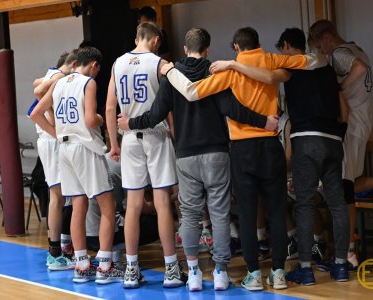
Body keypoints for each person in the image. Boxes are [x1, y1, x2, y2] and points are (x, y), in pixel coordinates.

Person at [161, 27, 327, 291]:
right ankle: (278, 273)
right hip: (271, 145)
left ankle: (253, 275)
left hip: (242, 150)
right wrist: (278, 72)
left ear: (236, 47)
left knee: (248, 215)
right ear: (258, 43)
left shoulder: (229, 71)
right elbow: (316, 60)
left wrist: (170, 71)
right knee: (276, 211)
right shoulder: (272, 60)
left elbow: (191, 92)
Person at [117, 27, 278, 291]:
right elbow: (232, 109)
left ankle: (192, 272)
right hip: (215, 152)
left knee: (190, 216)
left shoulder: (172, 75)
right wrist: (264, 121)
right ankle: (220, 272)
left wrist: (130, 123)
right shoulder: (214, 72)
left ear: (184, 49)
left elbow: (156, 114)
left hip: (186, 155)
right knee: (219, 214)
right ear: (208, 49)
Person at [31, 47, 122, 284]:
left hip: (65, 149)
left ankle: (81, 265)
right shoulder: (87, 83)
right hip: (84, 147)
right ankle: (104, 266)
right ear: (93, 65)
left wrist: (57, 134)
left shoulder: (59, 83)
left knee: (78, 204)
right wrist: (101, 119)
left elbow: (35, 114)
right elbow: (91, 119)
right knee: (107, 207)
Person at [105, 21, 185, 289]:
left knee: (133, 204)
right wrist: (174, 132)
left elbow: (109, 107)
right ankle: (171, 268)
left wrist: (113, 143)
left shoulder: (117, 63)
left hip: (128, 138)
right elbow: (168, 105)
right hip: (155, 135)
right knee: (163, 202)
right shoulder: (159, 63)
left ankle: (130, 269)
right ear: (155, 40)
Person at [308, 19, 373, 272]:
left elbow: (360, 68)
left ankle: (347, 253)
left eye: (319, 47)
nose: (321, 53)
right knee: (345, 187)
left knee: (344, 189)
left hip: (352, 125)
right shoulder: (357, 47)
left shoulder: (340, 53)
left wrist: (337, 89)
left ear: (325, 39)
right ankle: (347, 250)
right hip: (362, 123)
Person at [30, 51, 77, 271]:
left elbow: (36, 84)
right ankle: (55, 252)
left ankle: (62, 247)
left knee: (63, 196)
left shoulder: (52, 74)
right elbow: (39, 91)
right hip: (50, 140)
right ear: (74, 64)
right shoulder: (58, 76)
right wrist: (55, 128)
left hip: (47, 141)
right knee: (58, 196)